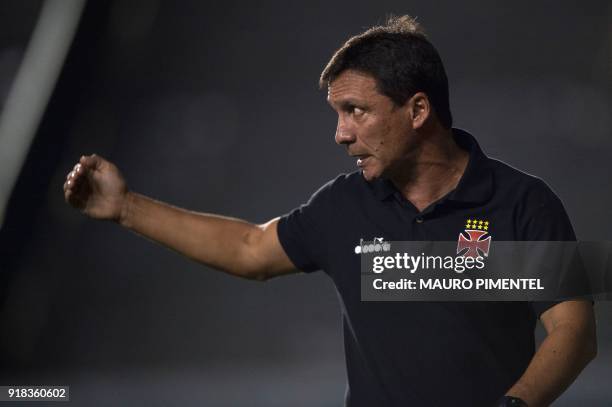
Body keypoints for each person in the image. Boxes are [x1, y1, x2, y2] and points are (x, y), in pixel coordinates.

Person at [63, 15, 596, 407]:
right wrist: (125, 207)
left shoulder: (522, 202)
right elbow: (250, 249)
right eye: (338, 114)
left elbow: (573, 331)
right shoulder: (345, 205)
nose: (340, 133)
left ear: (417, 110)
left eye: (355, 111)